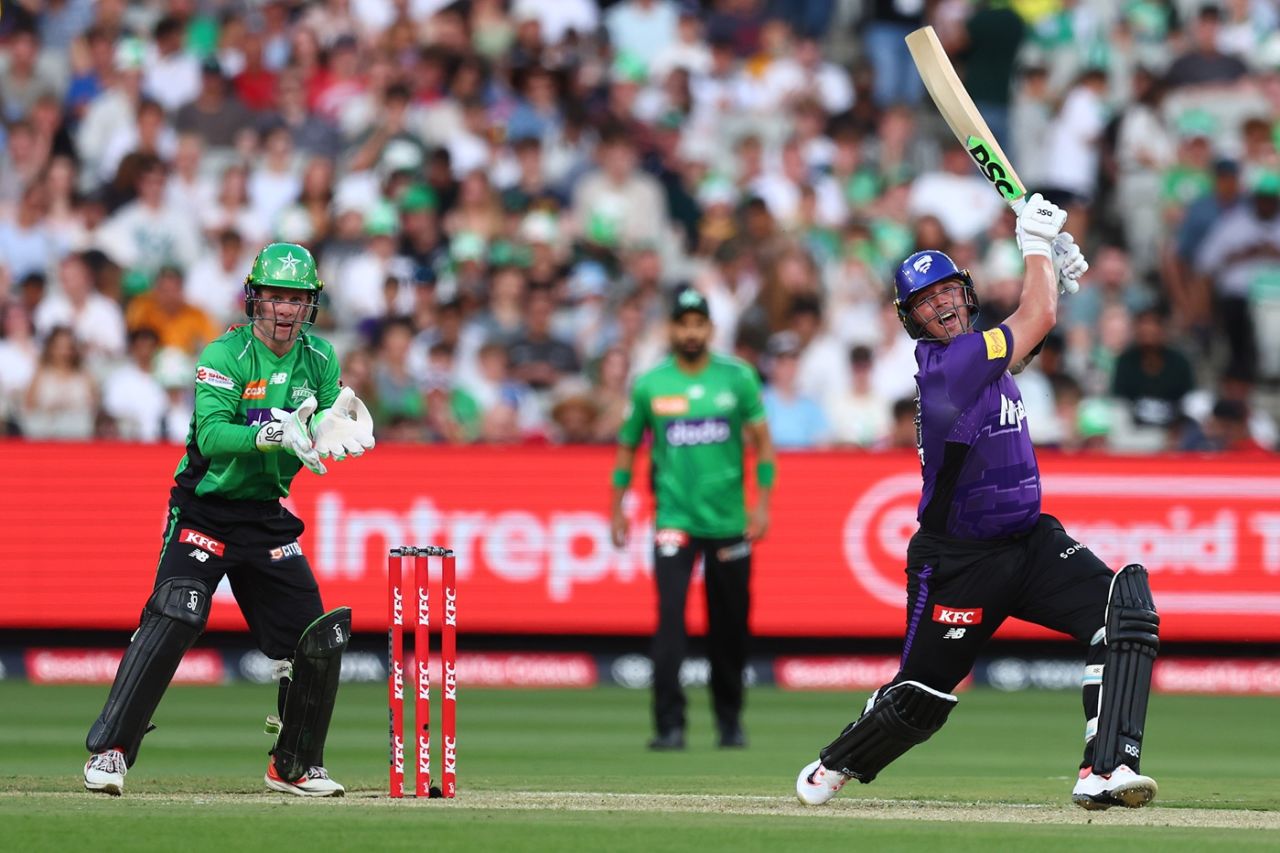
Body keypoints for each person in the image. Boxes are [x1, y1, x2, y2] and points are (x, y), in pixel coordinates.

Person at [794, 195, 1162, 812]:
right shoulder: (947, 367)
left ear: (964, 293)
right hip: (960, 561)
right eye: (923, 301)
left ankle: (1106, 769)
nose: (939, 304)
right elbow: (1035, 316)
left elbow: (1030, 333)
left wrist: (1053, 274)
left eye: (945, 291)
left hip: (1030, 542)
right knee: (923, 699)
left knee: (1124, 612)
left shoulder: (985, 357)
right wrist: (1038, 248)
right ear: (911, 319)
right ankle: (839, 762)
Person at [83, 242, 375, 798]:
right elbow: (213, 437)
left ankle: (293, 765)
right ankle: (112, 750)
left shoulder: (320, 359)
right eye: (277, 296)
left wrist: (335, 430)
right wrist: (271, 434)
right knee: (176, 613)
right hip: (205, 508)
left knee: (316, 639)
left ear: (310, 304)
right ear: (255, 298)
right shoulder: (225, 356)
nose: (286, 309)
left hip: (265, 515)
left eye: (298, 299)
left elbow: (327, 423)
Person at [609, 286, 776, 751]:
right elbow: (627, 448)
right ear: (671, 327)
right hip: (674, 519)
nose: (689, 332)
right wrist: (617, 508)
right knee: (669, 624)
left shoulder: (737, 378)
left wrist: (760, 505)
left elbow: (763, 446)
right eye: (682, 323)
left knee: (730, 627)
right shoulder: (651, 384)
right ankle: (669, 726)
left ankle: (729, 722)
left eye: (697, 323)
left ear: (709, 328)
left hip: (728, 522)